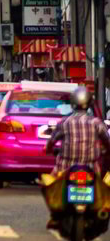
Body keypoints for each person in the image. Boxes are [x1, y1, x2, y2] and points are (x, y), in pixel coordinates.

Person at [42, 87, 110, 229]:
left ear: (73, 103)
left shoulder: (65, 122)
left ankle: (55, 215)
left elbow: (52, 141)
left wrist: (48, 149)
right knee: (104, 186)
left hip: (65, 166)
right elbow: (107, 141)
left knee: (48, 185)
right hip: (91, 166)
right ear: (89, 103)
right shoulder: (96, 123)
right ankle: (101, 212)